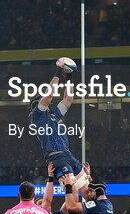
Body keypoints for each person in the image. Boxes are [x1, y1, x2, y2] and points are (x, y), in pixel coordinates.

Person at [28, 62, 88, 190]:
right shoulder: (37, 116)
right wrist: (59, 70)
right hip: (57, 158)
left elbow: (68, 99)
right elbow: (49, 95)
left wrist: (69, 77)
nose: (47, 104)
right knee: (71, 191)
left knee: (88, 191)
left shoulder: (53, 115)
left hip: (68, 155)